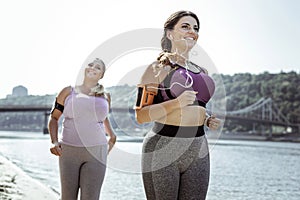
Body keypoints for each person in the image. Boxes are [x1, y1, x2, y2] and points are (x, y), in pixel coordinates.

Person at [135, 11, 221, 200]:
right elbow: (141, 115)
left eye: (195, 28)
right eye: (185, 26)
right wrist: (176, 103)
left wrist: (207, 119)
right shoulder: (156, 68)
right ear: (170, 33)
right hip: (163, 145)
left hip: (198, 147)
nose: (192, 31)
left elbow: (195, 106)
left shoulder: (203, 71)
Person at [48, 58, 116, 200]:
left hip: (97, 152)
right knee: (67, 197)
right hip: (69, 152)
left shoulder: (106, 96)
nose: (92, 68)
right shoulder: (68, 91)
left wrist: (112, 136)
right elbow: (54, 118)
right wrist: (54, 141)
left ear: (102, 74)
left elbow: (101, 117)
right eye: (90, 65)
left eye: (97, 67)